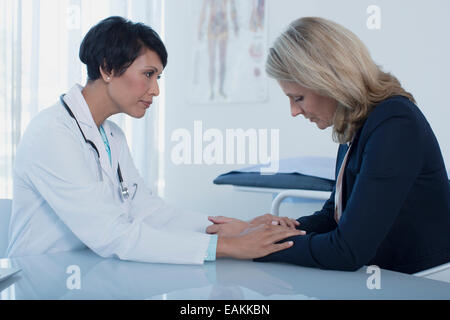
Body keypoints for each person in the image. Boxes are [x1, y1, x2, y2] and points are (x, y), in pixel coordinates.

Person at [7, 16, 302, 264]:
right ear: (108, 68)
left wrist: (234, 229)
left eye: (158, 77)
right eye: (148, 74)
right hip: (41, 281)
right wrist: (224, 248)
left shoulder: (112, 136)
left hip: (91, 275)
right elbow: (110, 233)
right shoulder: (52, 134)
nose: (155, 90)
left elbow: (150, 212)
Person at [208, 17, 450, 274]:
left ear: (329, 81)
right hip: (386, 276)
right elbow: (334, 216)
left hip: (422, 282)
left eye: (298, 98)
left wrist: (255, 245)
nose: (293, 111)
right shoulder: (360, 124)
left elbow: (347, 251)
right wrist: (265, 231)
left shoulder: (394, 123)